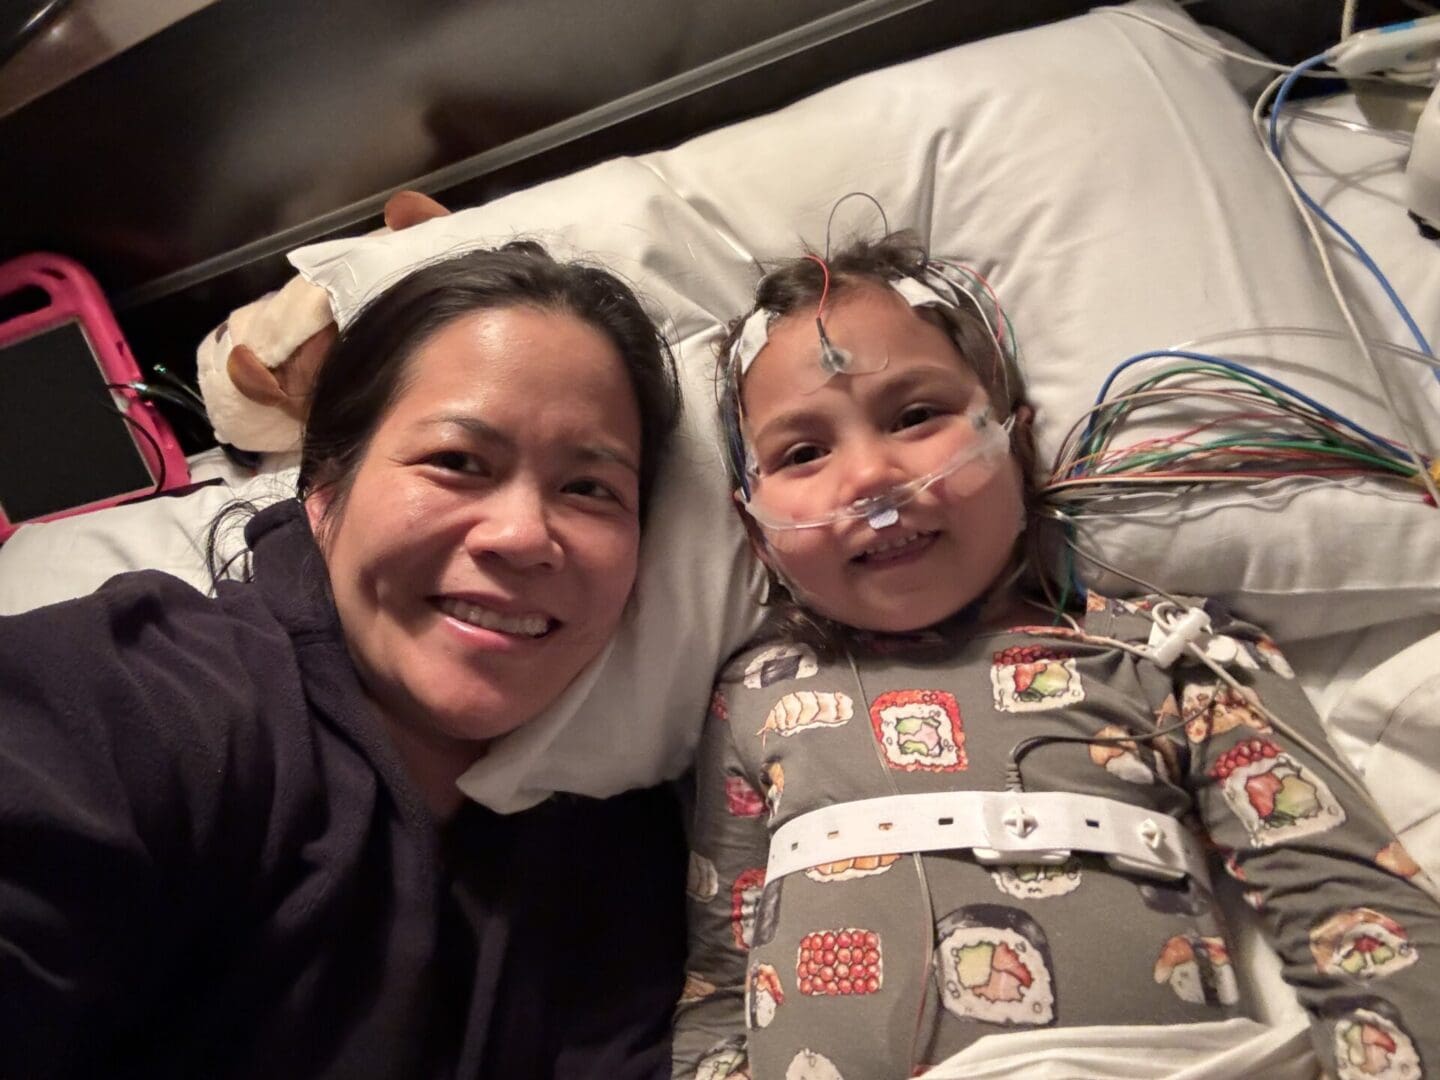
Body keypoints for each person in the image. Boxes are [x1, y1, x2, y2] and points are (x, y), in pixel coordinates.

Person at [671, 233, 1440, 1079]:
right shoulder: (755, 692)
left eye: (916, 415)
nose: (870, 477)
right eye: (803, 453)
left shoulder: (1174, 655)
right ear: (757, 533)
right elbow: (719, 985)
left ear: (1016, 444)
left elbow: (1361, 924)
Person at [0, 243, 689, 1079]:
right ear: (324, 492)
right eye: (457, 462)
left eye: (589, 489)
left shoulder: (626, 831)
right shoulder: (144, 703)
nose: (521, 536)